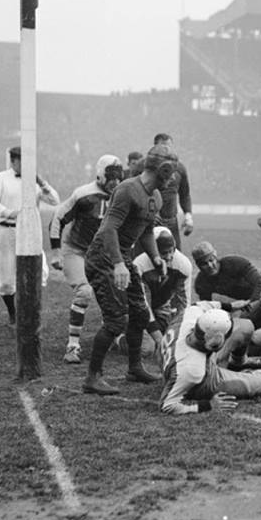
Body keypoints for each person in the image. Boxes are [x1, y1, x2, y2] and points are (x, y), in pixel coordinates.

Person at [82, 143, 174, 395]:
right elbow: (108, 229)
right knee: (115, 320)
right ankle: (92, 377)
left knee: (140, 313)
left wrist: (156, 257)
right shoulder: (127, 190)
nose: (173, 178)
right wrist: (119, 264)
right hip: (104, 257)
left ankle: (134, 368)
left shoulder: (154, 196)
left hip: (122, 257)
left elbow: (145, 230)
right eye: (171, 172)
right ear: (161, 170)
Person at [48, 154, 123, 364]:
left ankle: (116, 335)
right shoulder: (84, 195)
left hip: (103, 254)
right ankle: (73, 346)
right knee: (84, 292)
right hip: (77, 250)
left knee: (117, 294)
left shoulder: (122, 195)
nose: (115, 183)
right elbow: (57, 218)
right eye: (111, 178)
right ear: (100, 176)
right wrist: (55, 252)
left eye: (119, 178)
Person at [159, 303, 261, 415]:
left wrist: (231, 305)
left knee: (246, 326)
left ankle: (238, 362)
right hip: (200, 380)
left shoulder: (190, 316)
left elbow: (204, 305)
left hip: (185, 354)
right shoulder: (192, 372)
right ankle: (258, 374)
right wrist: (207, 405)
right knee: (259, 384)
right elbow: (167, 405)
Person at [0, 146, 59, 324]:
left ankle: (29, 309)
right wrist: (9, 212)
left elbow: (55, 200)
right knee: (6, 279)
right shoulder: (0, 179)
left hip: (28, 232)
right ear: (14, 161)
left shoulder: (35, 182)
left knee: (39, 272)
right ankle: (13, 313)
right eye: (23, 161)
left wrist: (41, 182)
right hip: (4, 231)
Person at [190, 240, 261, 367]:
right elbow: (208, 309)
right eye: (204, 263)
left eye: (212, 259)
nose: (210, 265)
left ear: (216, 255)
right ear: (198, 265)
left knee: (242, 323)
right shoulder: (201, 282)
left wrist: (249, 305)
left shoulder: (235, 263)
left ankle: (228, 361)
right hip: (244, 301)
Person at [132, 226, 193, 362]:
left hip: (161, 307)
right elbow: (143, 304)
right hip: (136, 309)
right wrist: (158, 338)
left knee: (175, 339)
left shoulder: (183, 264)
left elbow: (183, 303)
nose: (169, 256)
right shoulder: (139, 265)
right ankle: (120, 336)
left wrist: (181, 332)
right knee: (147, 348)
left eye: (172, 251)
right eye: (164, 253)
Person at [149, 133, 193, 250]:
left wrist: (188, 217)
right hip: (150, 221)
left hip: (170, 220)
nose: (166, 150)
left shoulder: (179, 168)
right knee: (147, 256)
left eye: (169, 147)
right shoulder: (146, 167)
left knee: (175, 255)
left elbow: (185, 194)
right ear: (155, 148)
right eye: (163, 147)